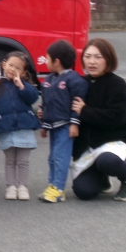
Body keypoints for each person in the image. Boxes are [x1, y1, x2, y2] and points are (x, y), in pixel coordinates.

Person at [71, 39, 126, 201]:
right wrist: (46, 114)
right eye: (88, 56)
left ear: (108, 59)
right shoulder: (80, 83)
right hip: (89, 149)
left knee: (107, 160)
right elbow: (66, 108)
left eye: (98, 57)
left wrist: (85, 110)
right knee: (83, 191)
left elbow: (115, 118)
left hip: (115, 144)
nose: (92, 61)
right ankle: (103, 180)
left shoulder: (117, 84)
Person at [0, 51, 40, 201]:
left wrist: (21, 86)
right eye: (11, 65)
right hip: (6, 128)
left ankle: (23, 186)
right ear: (4, 65)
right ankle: (11, 186)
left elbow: (33, 98)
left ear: (24, 72)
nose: (13, 69)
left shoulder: (25, 86)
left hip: (25, 127)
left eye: (18, 68)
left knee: (23, 160)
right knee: (10, 160)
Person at [38, 40, 88, 203]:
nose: (45, 61)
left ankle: (58, 189)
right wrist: (44, 123)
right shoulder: (48, 80)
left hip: (65, 126)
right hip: (52, 126)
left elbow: (77, 104)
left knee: (61, 157)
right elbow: (45, 103)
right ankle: (52, 185)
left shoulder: (74, 80)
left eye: (47, 58)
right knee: (52, 157)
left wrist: (74, 123)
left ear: (57, 61)